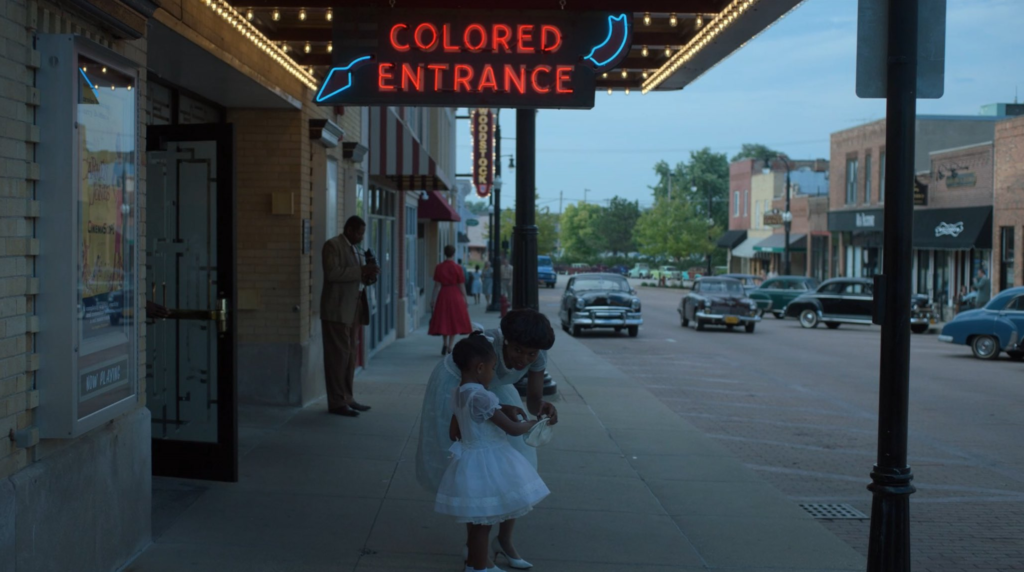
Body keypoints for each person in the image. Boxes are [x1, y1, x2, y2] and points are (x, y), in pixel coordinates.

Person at [417, 309, 558, 570]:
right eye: (518, 350)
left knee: (514, 469)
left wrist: (542, 409)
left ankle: (503, 541)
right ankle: (475, 550)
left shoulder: (537, 352)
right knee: (478, 477)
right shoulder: (485, 348)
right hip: (462, 382)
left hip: (492, 391)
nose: (523, 359)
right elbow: (472, 394)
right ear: (505, 341)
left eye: (531, 354)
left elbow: (534, 398)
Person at [320, 216, 379, 417]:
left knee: (350, 355)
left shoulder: (355, 249)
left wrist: (369, 275)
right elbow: (332, 274)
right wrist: (361, 270)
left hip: (354, 308)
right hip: (336, 310)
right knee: (338, 357)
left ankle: (348, 397)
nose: (361, 237)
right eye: (359, 233)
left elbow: (356, 276)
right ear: (350, 230)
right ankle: (336, 402)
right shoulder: (332, 246)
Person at [430, 245, 473, 355]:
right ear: (453, 254)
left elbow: (436, 286)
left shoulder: (439, 267)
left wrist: (433, 299)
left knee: (444, 320)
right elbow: (461, 285)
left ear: (445, 253)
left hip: (443, 294)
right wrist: (465, 298)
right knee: (453, 320)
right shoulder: (457, 268)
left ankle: (444, 343)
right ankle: (450, 345)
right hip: (455, 295)